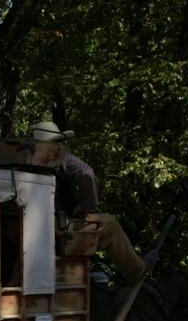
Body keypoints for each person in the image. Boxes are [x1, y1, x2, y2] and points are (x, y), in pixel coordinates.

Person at [31, 121, 158, 282]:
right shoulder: (60, 156)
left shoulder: (27, 160)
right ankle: (137, 269)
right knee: (110, 224)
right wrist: (85, 206)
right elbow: (86, 173)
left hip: (33, 227)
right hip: (54, 226)